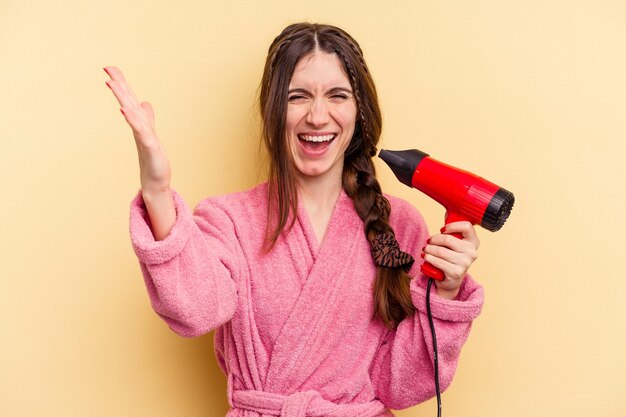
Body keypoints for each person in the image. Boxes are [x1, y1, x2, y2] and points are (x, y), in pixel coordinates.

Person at [105, 22, 483, 417]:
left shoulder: (399, 225)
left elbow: (401, 384)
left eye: (338, 96)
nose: (318, 116)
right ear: (273, 110)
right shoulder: (229, 220)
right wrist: (157, 189)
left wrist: (446, 292)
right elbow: (195, 310)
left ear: (360, 112)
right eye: (297, 97)